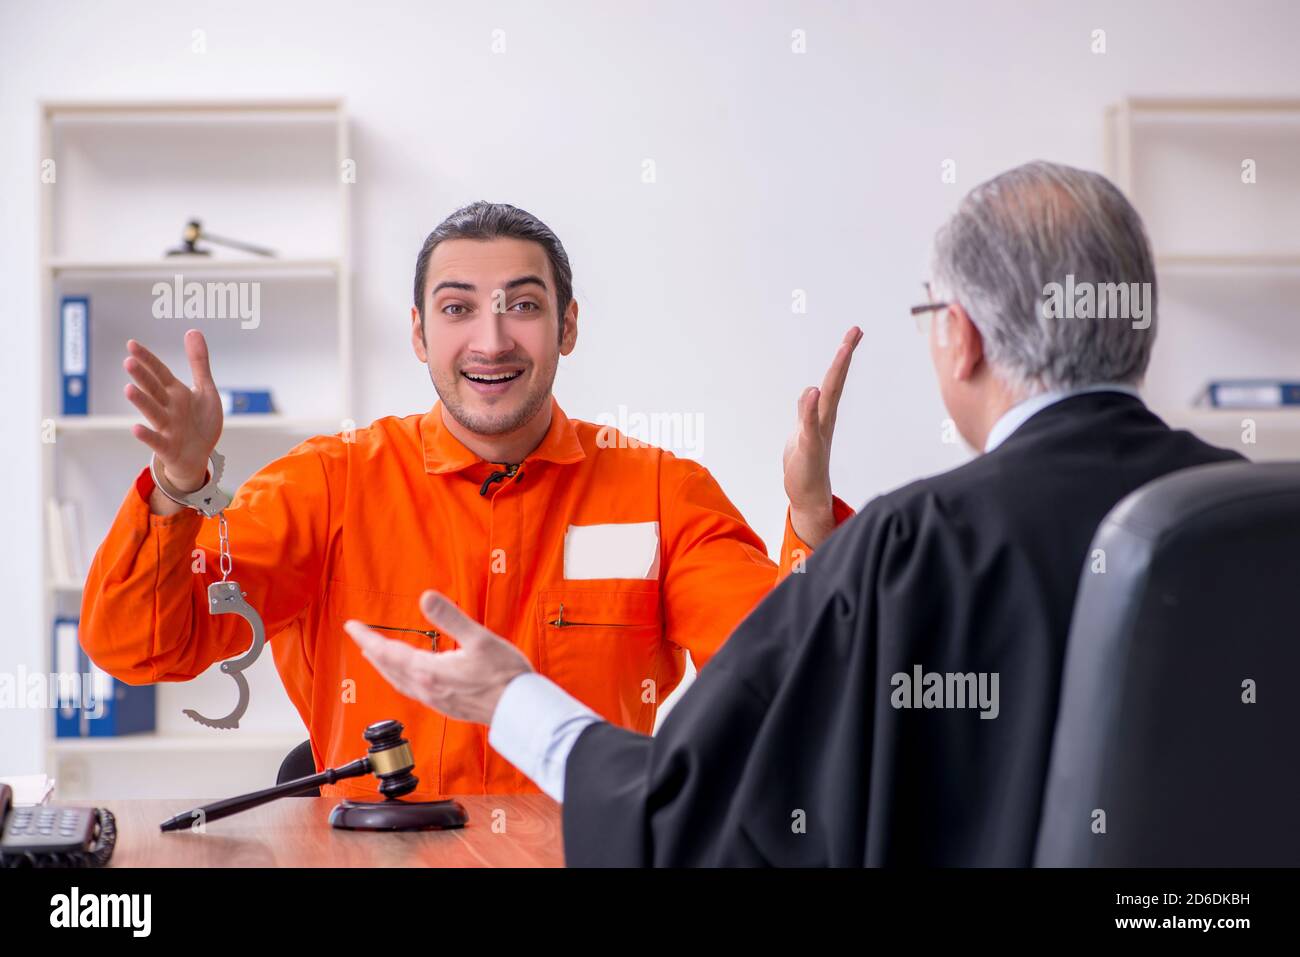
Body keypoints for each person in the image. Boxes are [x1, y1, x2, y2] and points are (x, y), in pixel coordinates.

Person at [348, 162, 1244, 863]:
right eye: (459, 308)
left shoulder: (913, 545)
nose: (493, 337)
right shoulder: (1263, 518)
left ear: (959, 336)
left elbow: (716, 803)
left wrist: (514, 702)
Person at [81, 201, 858, 800]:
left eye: (523, 305)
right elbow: (138, 646)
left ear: (568, 326)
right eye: (457, 309)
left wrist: (815, 523)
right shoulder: (327, 485)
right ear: (419, 334)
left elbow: (792, 683)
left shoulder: (658, 491)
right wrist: (177, 490)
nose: (491, 340)